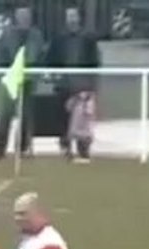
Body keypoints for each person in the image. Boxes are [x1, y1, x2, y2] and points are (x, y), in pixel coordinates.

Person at [47, 7, 101, 163]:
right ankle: (65, 147)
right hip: (64, 85)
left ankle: (83, 149)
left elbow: (95, 62)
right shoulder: (58, 39)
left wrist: (91, 85)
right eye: (68, 16)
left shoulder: (88, 38)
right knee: (63, 118)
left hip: (82, 85)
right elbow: (50, 60)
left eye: (73, 16)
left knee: (83, 118)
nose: (71, 19)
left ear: (78, 18)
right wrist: (53, 76)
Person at [0, 6, 45, 160]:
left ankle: (23, 147)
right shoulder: (7, 34)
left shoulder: (37, 35)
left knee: (27, 115)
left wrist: (37, 74)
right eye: (21, 17)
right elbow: (2, 55)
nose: (24, 19)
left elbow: (41, 56)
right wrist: (5, 73)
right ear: (16, 18)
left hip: (29, 79)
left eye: (26, 17)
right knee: (6, 113)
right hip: (11, 79)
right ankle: (0, 147)